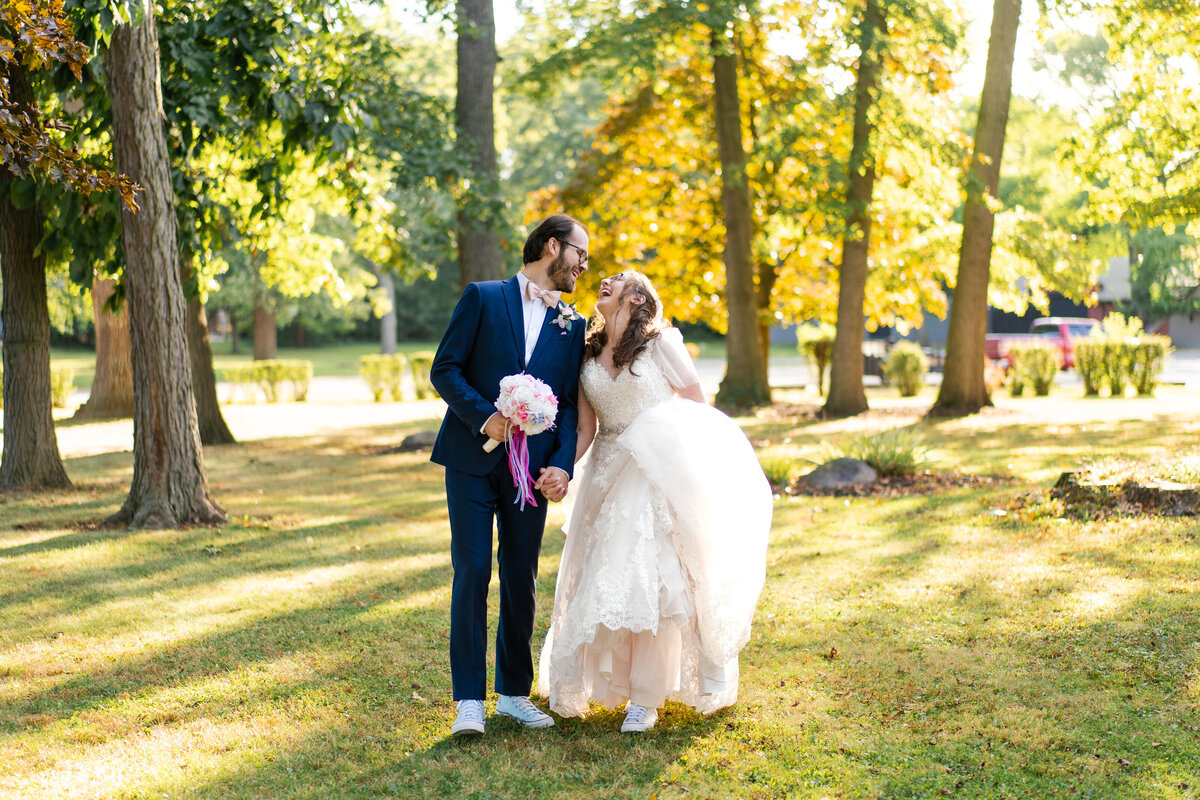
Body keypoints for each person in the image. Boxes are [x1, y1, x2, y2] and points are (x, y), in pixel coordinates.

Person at [538, 270, 772, 733]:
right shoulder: (585, 353)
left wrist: (691, 469)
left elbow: (696, 406)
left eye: (619, 278)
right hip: (606, 472)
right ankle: (620, 685)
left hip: (654, 470)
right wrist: (564, 469)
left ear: (638, 296)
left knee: (656, 579)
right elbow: (587, 429)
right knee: (610, 577)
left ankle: (645, 701)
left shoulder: (660, 343)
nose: (604, 279)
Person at [429, 214, 589, 736]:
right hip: (472, 463)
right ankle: (469, 701)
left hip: (533, 474)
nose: (584, 266)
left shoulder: (573, 324)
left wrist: (562, 465)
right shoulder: (482, 297)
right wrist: (485, 416)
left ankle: (514, 694)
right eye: (579, 254)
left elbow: (567, 405)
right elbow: (444, 369)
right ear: (551, 246)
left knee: (520, 576)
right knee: (472, 572)